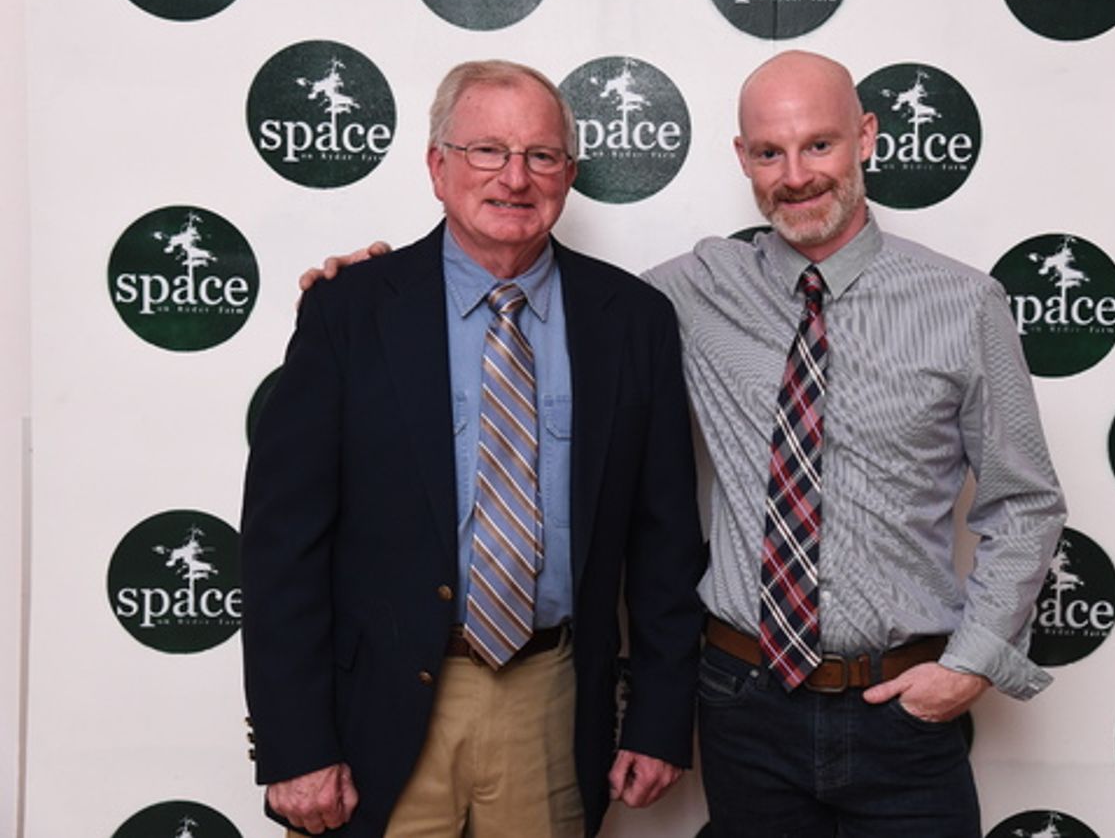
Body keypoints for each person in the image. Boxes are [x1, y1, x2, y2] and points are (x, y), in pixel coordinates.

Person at [306, 50, 1066, 837]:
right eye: (770, 152)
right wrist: (374, 287)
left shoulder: (965, 303)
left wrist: (972, 661)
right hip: (746, 707)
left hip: (903, 709)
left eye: (820, 145)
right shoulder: (688, 291)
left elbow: (1027, 500)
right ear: (743, 160)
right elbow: (522, 278)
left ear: (866, 138)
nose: (797, 174)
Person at [241, 59, 705, 838]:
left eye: (541, 155)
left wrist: (658, 717)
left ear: (568, 172)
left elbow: (664, 542)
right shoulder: (349, 313)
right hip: (376, 710)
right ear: (437, 166)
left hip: (550, 699)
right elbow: (282, 544)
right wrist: (293, 744)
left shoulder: (632, 320)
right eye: (487, 150)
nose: (514, 177)